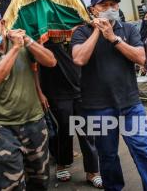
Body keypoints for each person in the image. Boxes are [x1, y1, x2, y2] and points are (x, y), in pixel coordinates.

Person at [71, 0, 147, 191]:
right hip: (98, 108)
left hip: (130, 105)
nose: (109, 9)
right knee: (107, 155)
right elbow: (79, 59)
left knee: (143, 151)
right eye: (104, 6)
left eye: (113, 5)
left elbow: (141, 58)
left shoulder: (129, 30)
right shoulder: (81, 32)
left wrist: (113, 38)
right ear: (93, 10)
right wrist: (98, 31)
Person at [0, 6, 57, 191]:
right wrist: (16, 47)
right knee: (12, 183)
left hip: (33, 120)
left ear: (2, 24)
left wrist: (28, 41)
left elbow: (51, 61)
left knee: (40, 177)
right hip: (1, 125)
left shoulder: (21, 43)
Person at [38, 40, 102, 188]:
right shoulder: (44, 34)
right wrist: (40, 92)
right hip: (56, 91)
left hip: (81, 89)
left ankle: (92, 172)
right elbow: (34, 66)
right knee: (65, 129)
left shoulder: (80, 33)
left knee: (86, 131)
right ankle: (61, 164)